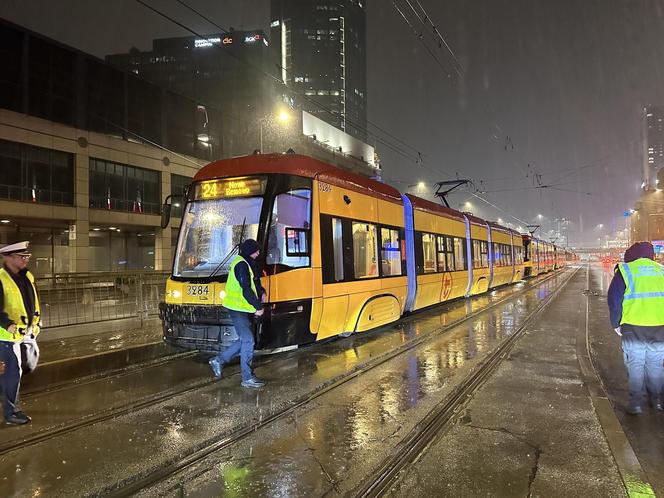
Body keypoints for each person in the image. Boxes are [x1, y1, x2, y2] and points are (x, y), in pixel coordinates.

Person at [607, 241, 664, 414]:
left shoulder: (625, 271)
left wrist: (616, 324)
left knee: (635, 364)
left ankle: (636, 404)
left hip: (633, 326)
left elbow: (614, 300)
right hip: (659, 327)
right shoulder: (661, 270)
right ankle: (657, 402)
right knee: (655, 364)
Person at [209, 239, 266, 388]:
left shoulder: (248, 263)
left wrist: (262, 292)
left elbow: (254, 283)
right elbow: (246, 288)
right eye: (256, 250)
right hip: (237, 308)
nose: (259, 253)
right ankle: (247, 378)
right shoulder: (241, 264)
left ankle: (218, 360)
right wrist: (258, 306)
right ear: (249, 251)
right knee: (248, 340)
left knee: (244, 340)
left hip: (244, 308)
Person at [0, 241, 42, 425]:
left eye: (27, 256)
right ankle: (11, 413)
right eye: (21, 256)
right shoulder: (0, 279)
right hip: (5, 337)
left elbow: (33, 302)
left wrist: (37, 322)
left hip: (26, 334)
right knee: (12, 373)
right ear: (8, 258)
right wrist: (7, 324)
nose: (26, 259)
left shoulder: (27, 277)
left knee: (29, 363)